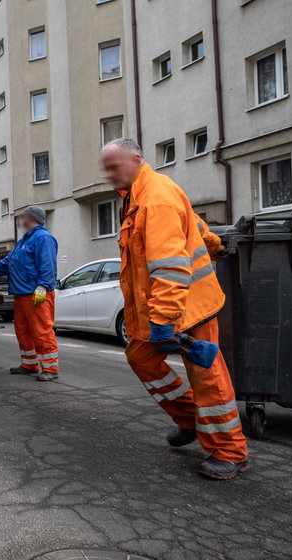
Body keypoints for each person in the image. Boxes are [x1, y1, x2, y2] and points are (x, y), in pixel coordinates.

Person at [101, 138, 249, 480]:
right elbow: (193, 224)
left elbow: (169, 268)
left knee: (206, 375)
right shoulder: (138, 195)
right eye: (106, 168)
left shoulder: (155, 199)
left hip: (187, 305)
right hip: (164, 305)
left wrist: (164, 320)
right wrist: (214, 244)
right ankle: (192, 420)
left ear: (136, 159)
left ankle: (230, 451)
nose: (108, 175)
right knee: (141, 357)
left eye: (113, 167)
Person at [0, 205, 59, 382]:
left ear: (31, 218)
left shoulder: (43, 237)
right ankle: (29, 364)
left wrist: (42, 287)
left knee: (42, 331)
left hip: (36, 295)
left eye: (24, 217)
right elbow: (10, 261)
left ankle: (51, 368)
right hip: (21, 294)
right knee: (23, 331)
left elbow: (48, 264)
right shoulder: (25, 240)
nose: (22, 220)